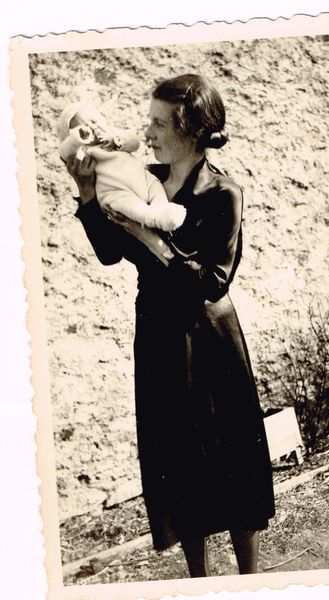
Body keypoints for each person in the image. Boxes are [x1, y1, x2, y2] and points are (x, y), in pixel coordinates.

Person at [65, 73, 275, 578]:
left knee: (231, 457)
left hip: (212, 338)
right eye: (149, 121)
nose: (147, 132)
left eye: (158, 123)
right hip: (159, 334)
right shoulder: (142, 179)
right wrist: (87, 190)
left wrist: (150, 239)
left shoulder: (223, 192)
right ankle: (199, 581)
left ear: (191, 130)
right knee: (178, 459)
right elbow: (109, 253)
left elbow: (213, 280)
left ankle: (251, 580)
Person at [58, 100, 186, 231]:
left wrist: (116, 140)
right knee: (135, 209)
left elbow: (135, 142)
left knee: (156, 187)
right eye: (84, 127)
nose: (92, 127)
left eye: (94, 121)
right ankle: (155, 219)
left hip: (142, 178)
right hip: (116, 192)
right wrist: (77, 137)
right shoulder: (86, 150)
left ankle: (164, 210)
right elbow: (64, 154)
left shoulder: (114, 135)